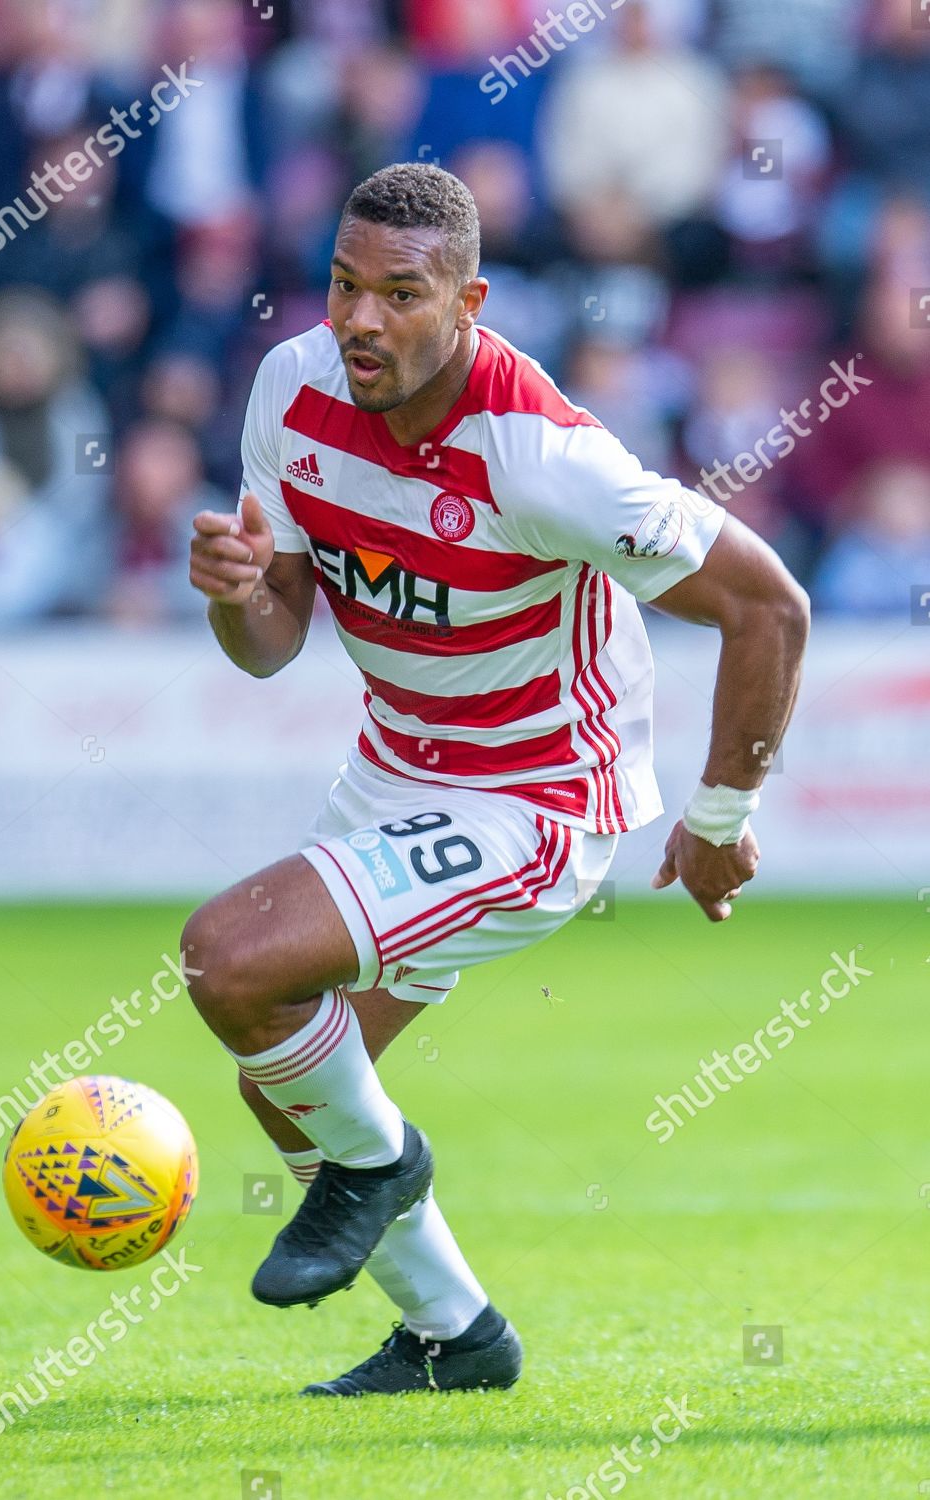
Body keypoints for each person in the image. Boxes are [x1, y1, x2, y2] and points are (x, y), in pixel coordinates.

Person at [181, 163, 809, 1397]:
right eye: (344, 286)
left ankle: (381, 1170)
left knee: (232, 958)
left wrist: (722, 815)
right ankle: (455, 1338)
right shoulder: (291, 387)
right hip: (397, 769)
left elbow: (765, 604)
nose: (361, 320)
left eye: (400, 295)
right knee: (297, 1085)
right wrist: (240, 593)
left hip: (538, 797)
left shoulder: (539, 456)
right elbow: (274, 641)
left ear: (469, 300)